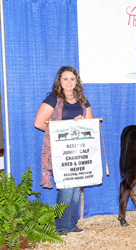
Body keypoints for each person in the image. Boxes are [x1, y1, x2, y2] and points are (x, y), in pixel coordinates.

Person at [34, 66, 93, 237]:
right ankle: (60, 225)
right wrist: (64, 128)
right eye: (65, 79)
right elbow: (39, 122)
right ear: (59, 81)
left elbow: (90, 124)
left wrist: (81, 121)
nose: (69, 82)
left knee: (75, 188)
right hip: (60, 150)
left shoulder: (83, 100)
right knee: (66, 187)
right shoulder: (53, 99)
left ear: (77, 81)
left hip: (78, 149)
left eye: (72, 79)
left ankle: (72, 223)